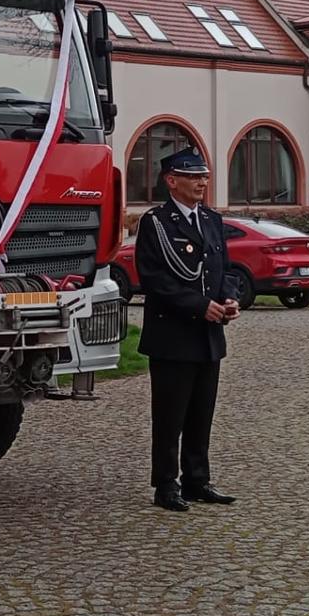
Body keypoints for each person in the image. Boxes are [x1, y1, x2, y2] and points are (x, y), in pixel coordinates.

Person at [133, 146, 239, 512]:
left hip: (208, 336)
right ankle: (166, 483)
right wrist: (198, 306)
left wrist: (228, 300)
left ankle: (197, 480)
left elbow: (223, 269)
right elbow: (155, 279)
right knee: (170, 416)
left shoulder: (210, 220)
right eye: (194, 176)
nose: (202, 183)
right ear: (171, 180)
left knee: (201, 413)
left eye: (204, 177)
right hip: (173, 336)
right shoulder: (157, 223)